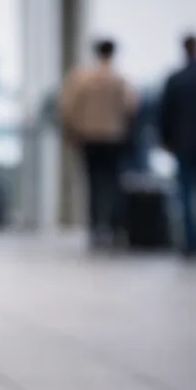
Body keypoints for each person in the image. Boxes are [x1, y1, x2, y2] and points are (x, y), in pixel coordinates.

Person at [60, 39, 138, 250]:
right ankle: (114, 228)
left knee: (92, 184)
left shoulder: (82, 78)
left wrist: (72, 132)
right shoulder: (119, 79)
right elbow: (131, 108)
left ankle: (95, 229)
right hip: (114, 138)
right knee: (113, 185)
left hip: (89, 137)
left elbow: (68, 108)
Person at [159, 34, 196, 259]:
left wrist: (165, 139)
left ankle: (191, 242)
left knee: (185, 193)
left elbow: (164, 113)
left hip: (182, 143)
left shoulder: (176, 79)